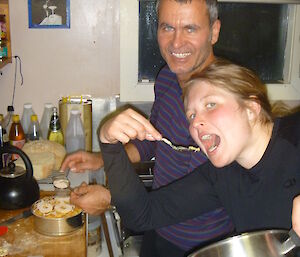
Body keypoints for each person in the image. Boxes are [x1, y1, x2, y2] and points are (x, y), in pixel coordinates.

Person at [62, 0, 234, 255]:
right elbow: (154, 139)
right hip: (158, 229)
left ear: (214, 31)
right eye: (167, 27)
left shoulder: (228, 99)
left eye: (190, 28)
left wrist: (111, 198)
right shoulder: (167, 78)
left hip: (204, 245)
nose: (176, 43)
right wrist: (103, 159)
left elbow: (206, 191)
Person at [97, 59, 300, 254]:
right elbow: (142, 215)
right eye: (191, 115)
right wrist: (109, 145)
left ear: (251, 109)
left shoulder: (294, 134)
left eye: (210, 105)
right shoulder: (221, 175)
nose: (195, 123)